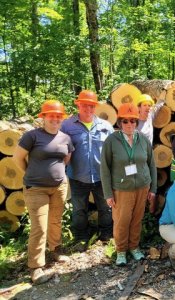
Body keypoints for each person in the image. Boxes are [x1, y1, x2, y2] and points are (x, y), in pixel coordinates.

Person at [13, 100, 73, 284]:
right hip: (35, 188)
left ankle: (55, 250)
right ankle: (36, 267)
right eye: (51, 115)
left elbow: (66, 159)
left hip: (59, 187)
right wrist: (33, 175)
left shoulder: (65, 138)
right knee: (39, 226)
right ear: (44, 117)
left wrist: (57, 175)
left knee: (55, 220)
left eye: (58, 116)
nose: (55, 119)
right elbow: (18, 159)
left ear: (61, 118)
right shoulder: (32, 136)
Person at [100, 103, 157, 266]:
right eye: (126, 121)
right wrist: (108, 194)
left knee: (137, 219)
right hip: (122, 189)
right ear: (119, 122)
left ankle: (134, 247)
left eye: (133, 121)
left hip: (142, 187)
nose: (130, 125)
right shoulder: (112, 141)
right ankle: (121, 251)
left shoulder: (143, 139)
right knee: (122, 221)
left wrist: (152, 188)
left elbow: (151, 164)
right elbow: (104, 168)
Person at [61, 90, 114, 251]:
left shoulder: (105, 126)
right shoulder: (67, 125)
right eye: (84, 105)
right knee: (79, 209)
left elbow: (113, 150)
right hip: (77, 176)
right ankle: (81, 238)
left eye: (91, 106)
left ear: (95, 107)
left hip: (101, 176)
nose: (88, 109)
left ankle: (106, 234)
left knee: (105, 207)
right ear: (78, 105)